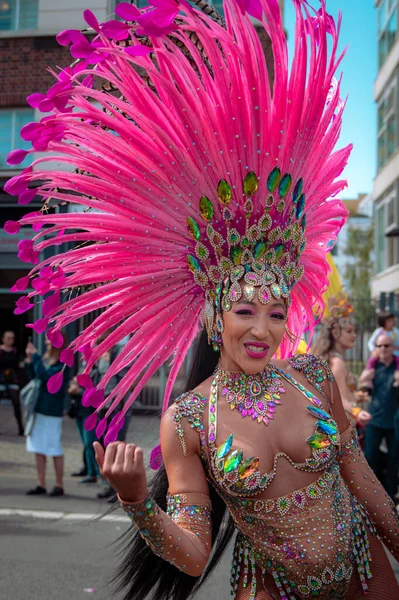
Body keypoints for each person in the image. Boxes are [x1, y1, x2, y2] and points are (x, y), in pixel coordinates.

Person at [5, 0, 399, 597]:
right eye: (245, 312)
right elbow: (192, 555)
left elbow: (359, 473)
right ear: (216, 317)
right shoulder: (188, 420)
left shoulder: (313, 378)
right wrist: (140, 503)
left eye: (274, 311)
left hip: (369, 579)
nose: (263, 330)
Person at [311, 293, 372, 428]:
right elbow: (339, 401)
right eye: (349, 331)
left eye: (354, 331)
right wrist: (358, 412)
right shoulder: (337, 363)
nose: (354, 335)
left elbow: (336, 394)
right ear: (335, 332)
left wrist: (356, 396)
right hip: (342, 430)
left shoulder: (332, 359)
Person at [25, 335, 68, 496]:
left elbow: (47, 378)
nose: (46, 342)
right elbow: (36, 377)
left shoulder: (63, 362)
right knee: (38, 447)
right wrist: (31, 361)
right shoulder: (46, 358)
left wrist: (35, 357)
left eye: (50, 339)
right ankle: (41, 483)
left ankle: (59, 484)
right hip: (39, 409)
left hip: (52, 411)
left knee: (54, 447)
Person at [359, 334, 399, 502]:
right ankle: (372, 496)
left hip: (394, 421)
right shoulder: (373, 367)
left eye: (387, 346)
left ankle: (390, 496)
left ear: (393, 347)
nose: (383, 349)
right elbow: (361, 388)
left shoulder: (397, 368)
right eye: (380, 346)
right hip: (375, 419)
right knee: (370, 457)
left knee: (394, 459)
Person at [68, 375, 99, 483]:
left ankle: (99, 474)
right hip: (79, 412)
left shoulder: (97, 371)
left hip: (89, 413)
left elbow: (96, 392)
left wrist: (79, 391)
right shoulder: (83, 368)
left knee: (90, 443)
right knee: (86, 444)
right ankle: (91, 472)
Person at [0, 330, 24, 435]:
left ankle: (21, 428)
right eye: (8, 338)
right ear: (3, 339)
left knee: (16, 404)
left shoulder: (14, 351)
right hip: (1, 380)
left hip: (12, 380)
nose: (10, 340)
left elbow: (18, 366)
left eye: (12, 338)